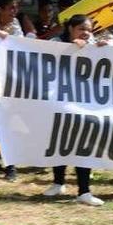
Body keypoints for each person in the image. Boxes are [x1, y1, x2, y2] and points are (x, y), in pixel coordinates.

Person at [44, 15, 106, 206]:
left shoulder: (94, 44)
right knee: (60, 141)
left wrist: (103, 49)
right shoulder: (56, 42)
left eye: (89, 29)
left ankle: (84, 191)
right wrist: (70, 49)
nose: (86, 33)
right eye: (81, 28)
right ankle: (58, 181)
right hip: (59, 102)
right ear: (70, 28)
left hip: (84, 105)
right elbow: (43, 56)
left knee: (83, 144)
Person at [0, 0, 23, 181]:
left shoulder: (15, 25)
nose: (15, 11)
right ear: (0, 9)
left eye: (16, 7)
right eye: (11, 7)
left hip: (10, 81)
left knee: (9, 122)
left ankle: (10, 165)